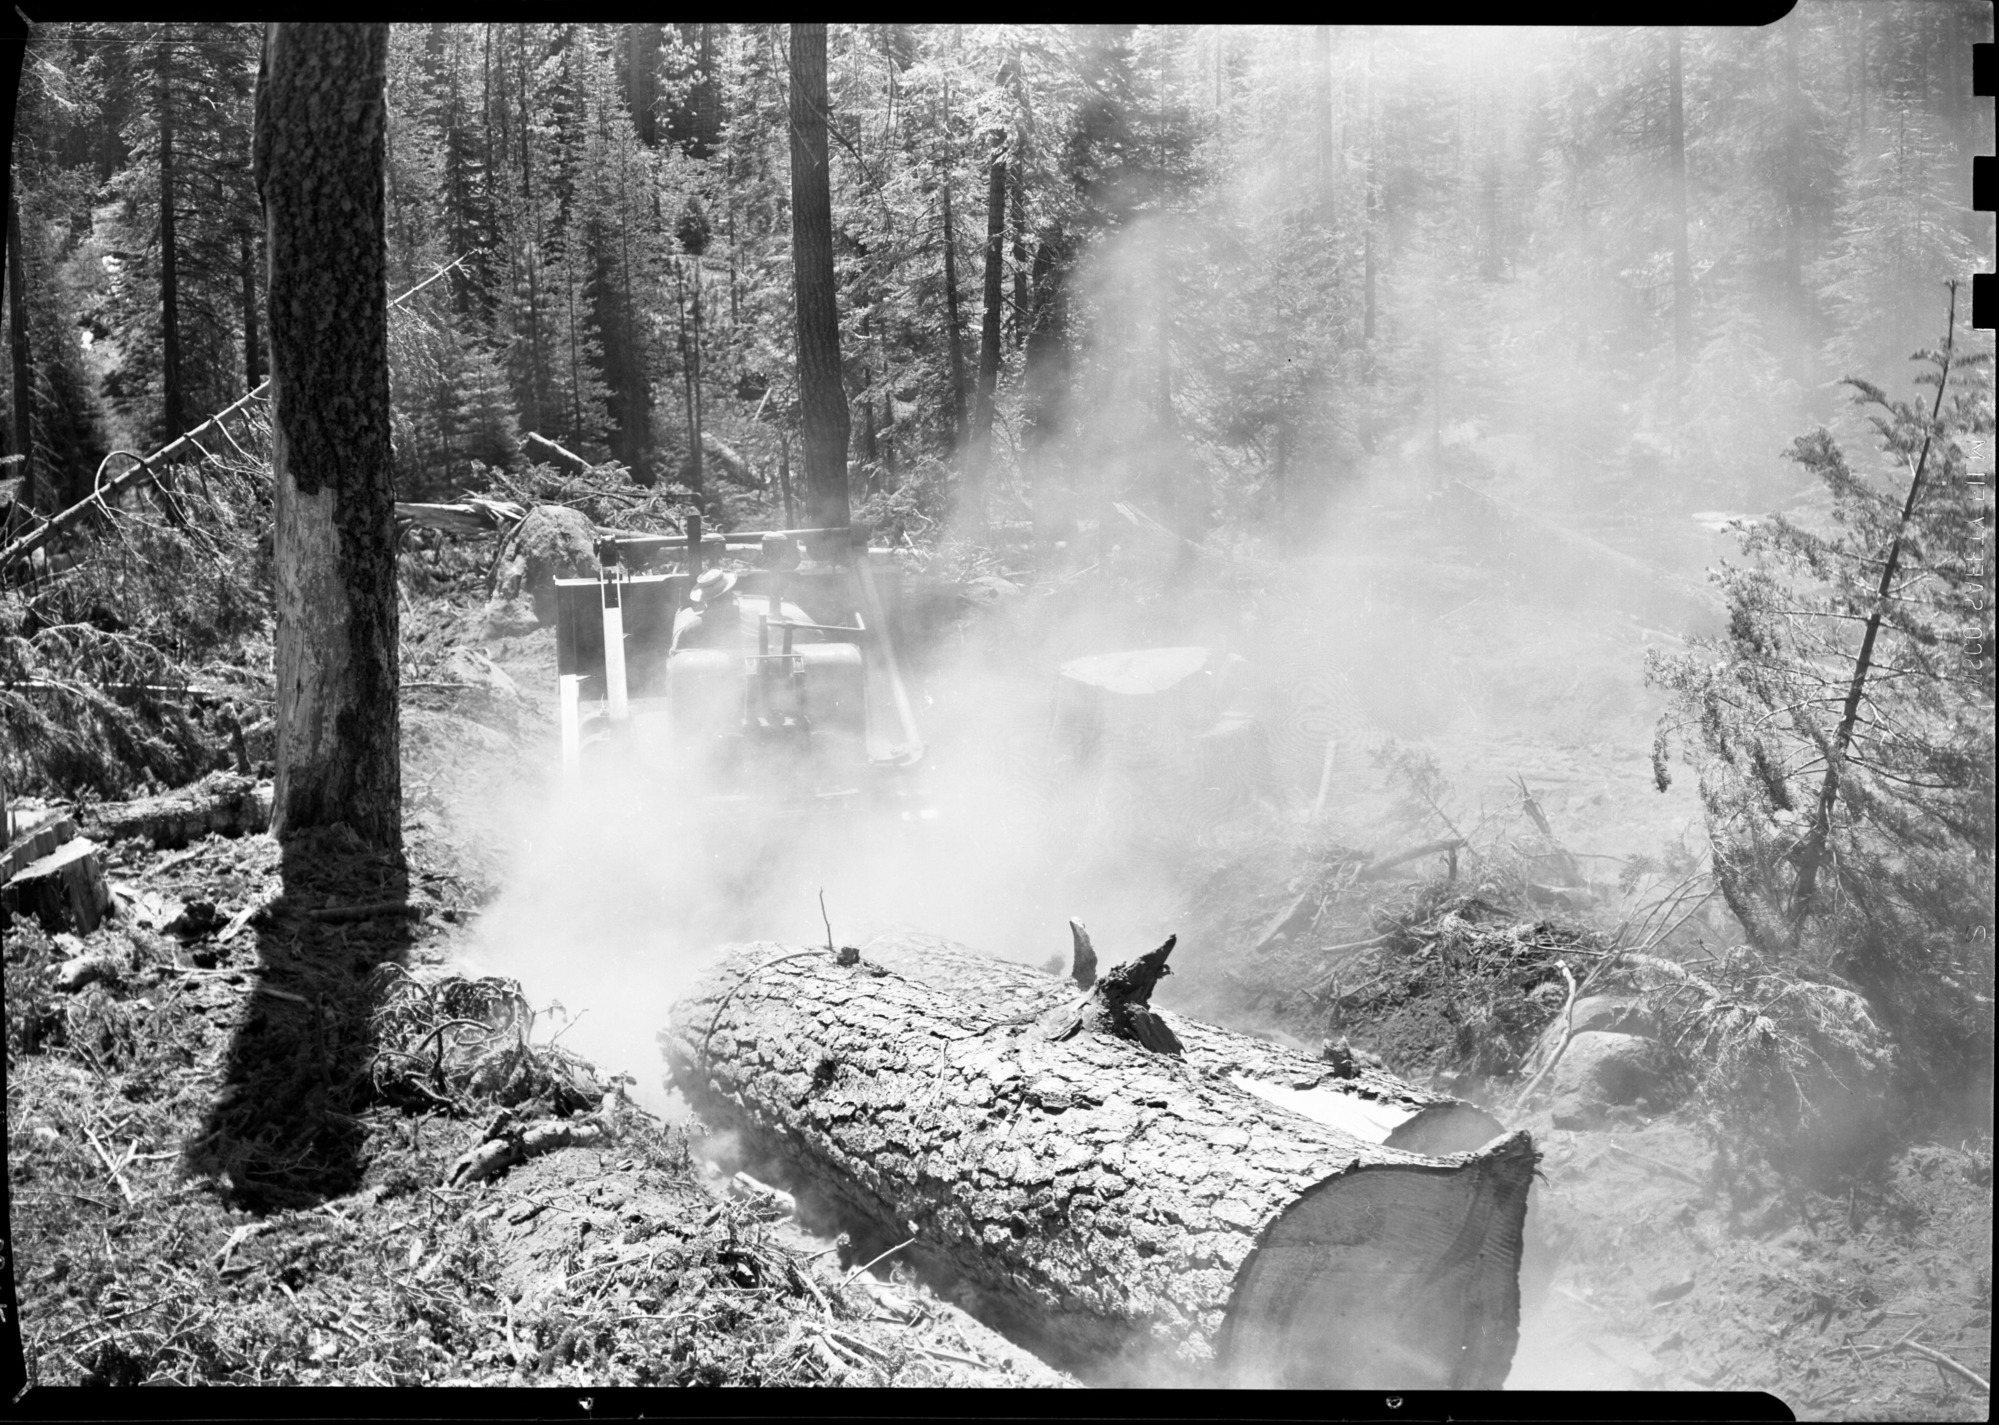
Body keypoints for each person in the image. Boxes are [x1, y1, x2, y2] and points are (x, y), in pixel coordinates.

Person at [672, 568, 742, 651]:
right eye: (730, 592)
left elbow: (677, 657)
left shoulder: (692, 628)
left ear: (705, 599)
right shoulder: (749, 618)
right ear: (729, 595)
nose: (733, 595)